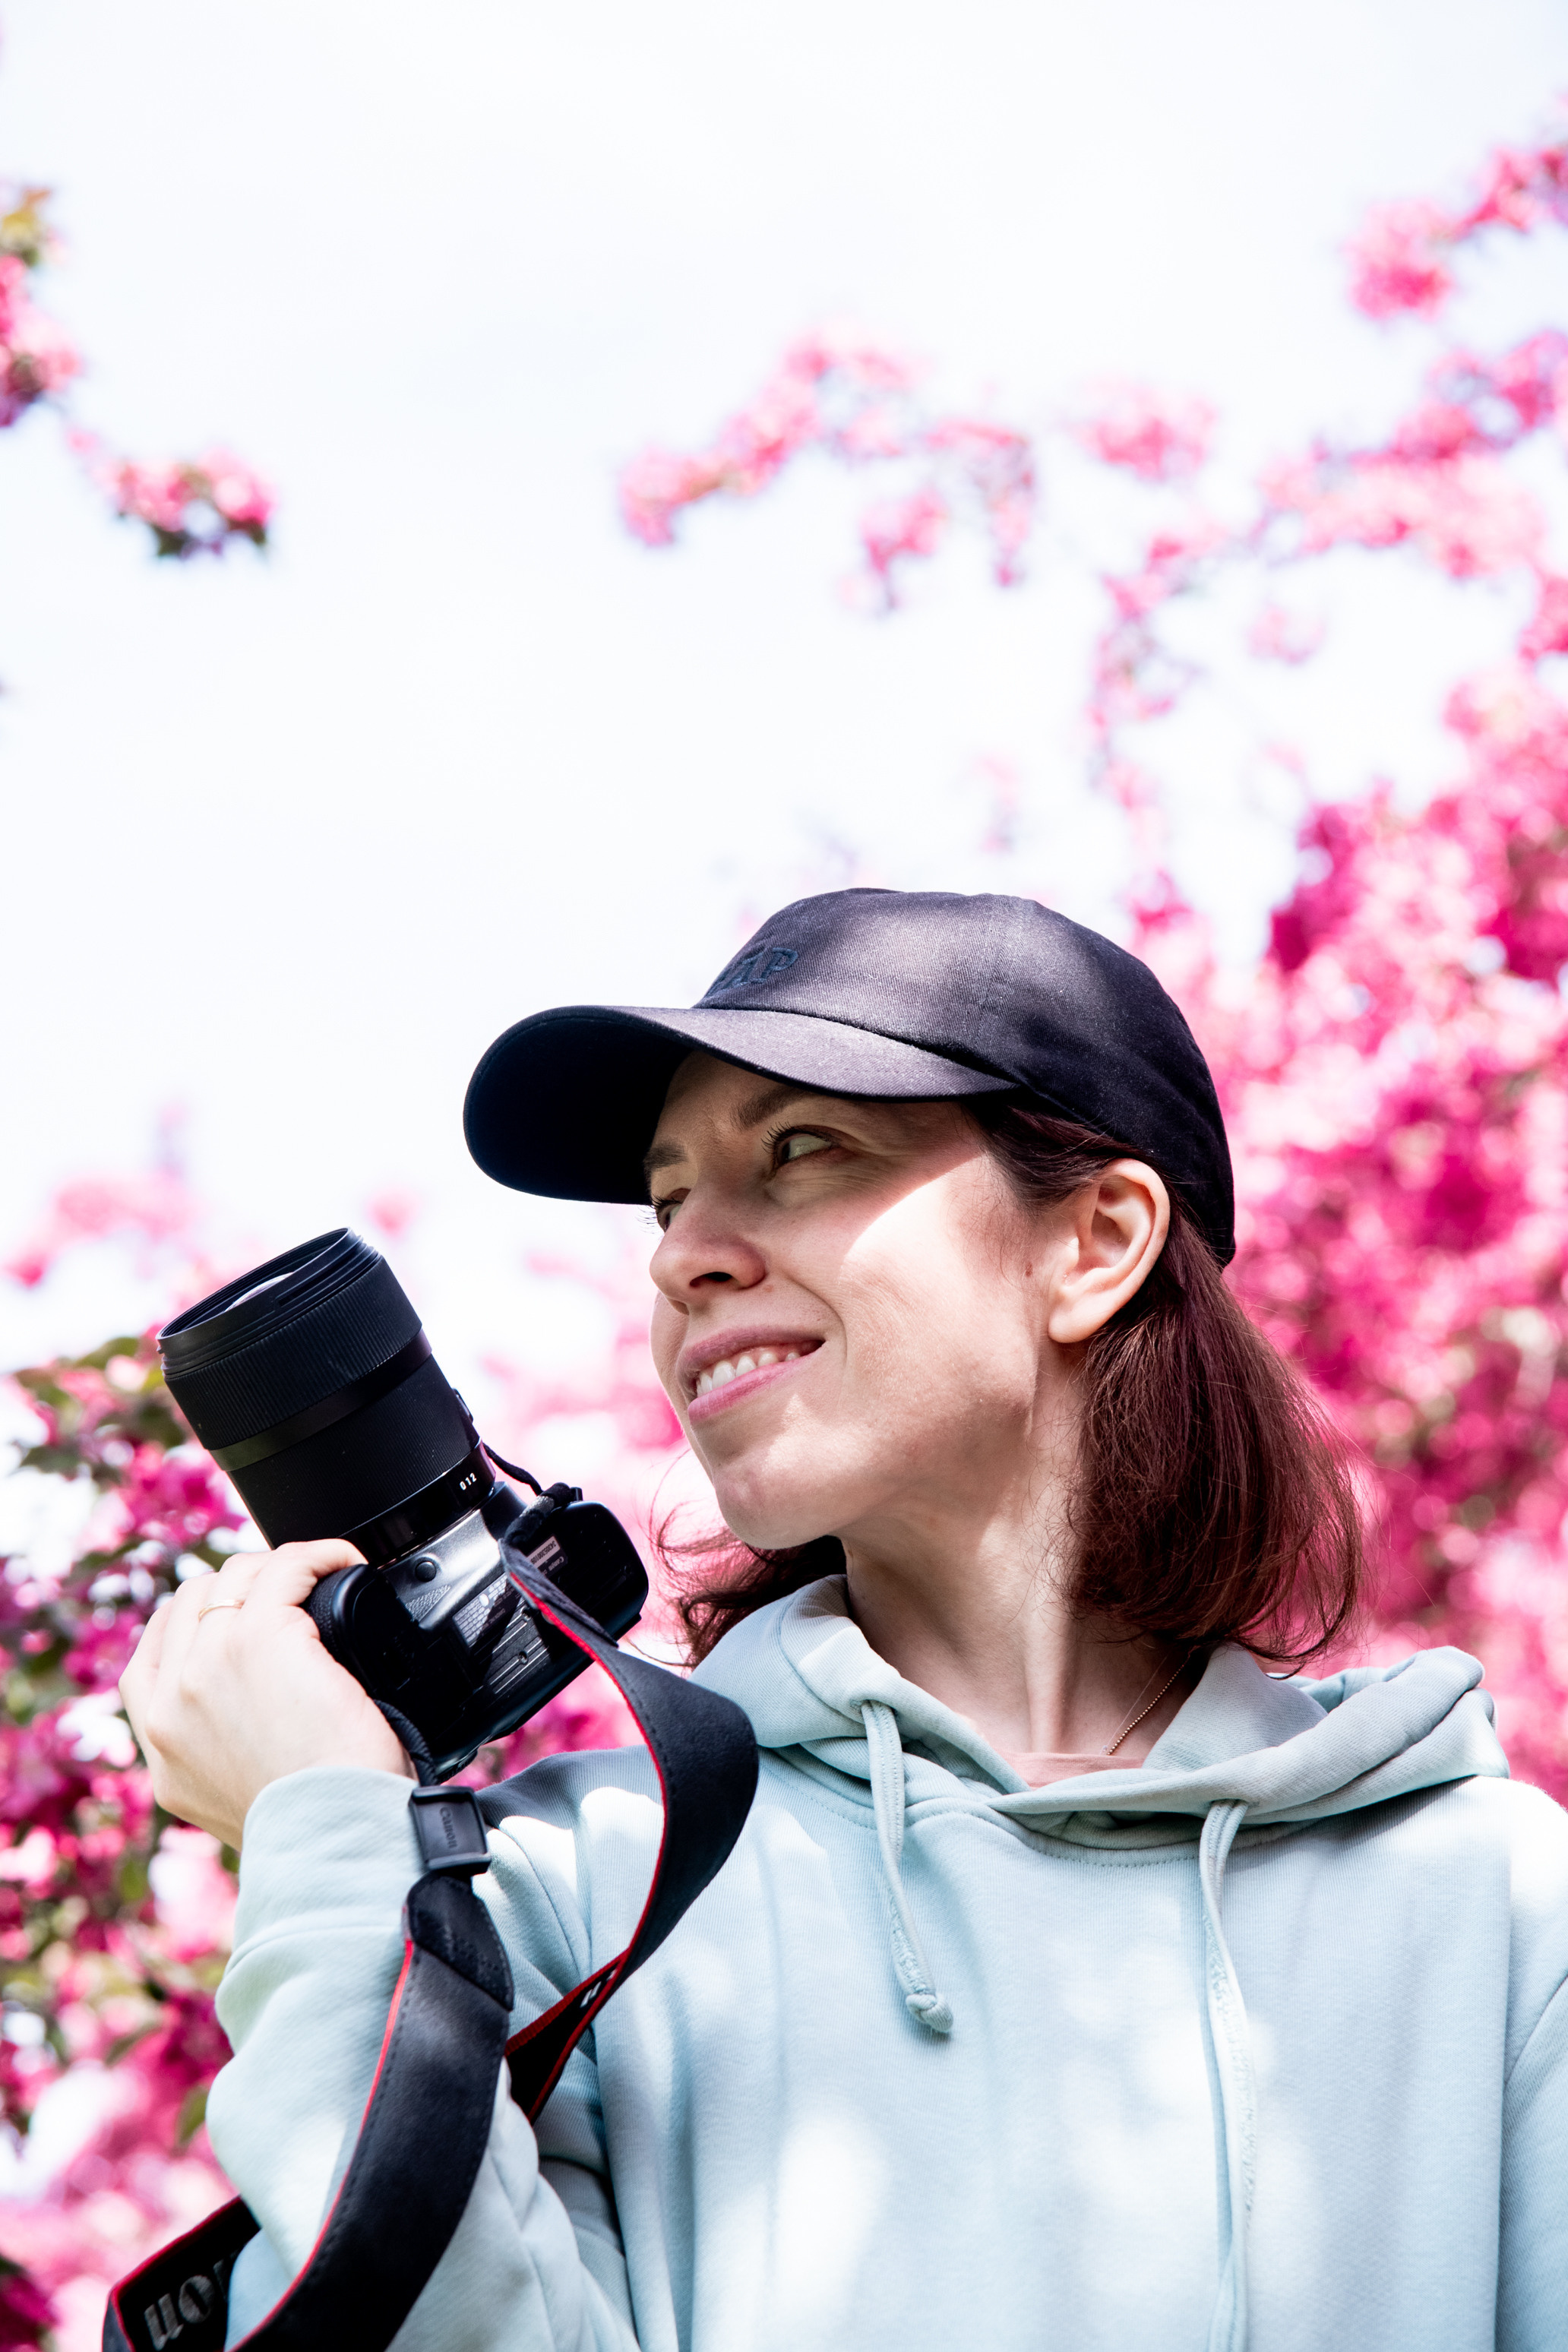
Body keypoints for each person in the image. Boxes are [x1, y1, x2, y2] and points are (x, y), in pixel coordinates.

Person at [122, 888, 1568, 2352]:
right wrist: (327, 1847)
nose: (683, 1254)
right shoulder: (584, 1892)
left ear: (1096, 1241)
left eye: (802, 1149)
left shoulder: (1496, 1906)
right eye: (668, 1197)